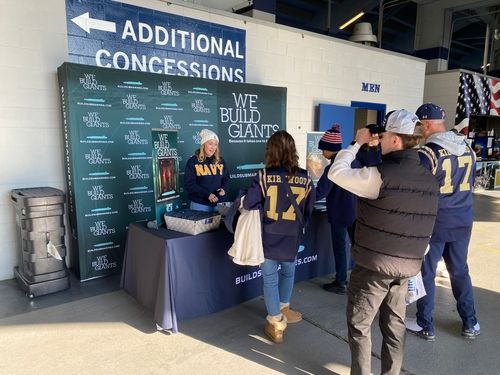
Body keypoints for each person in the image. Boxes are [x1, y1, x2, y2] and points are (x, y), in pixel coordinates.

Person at [328, 109, 439, 375]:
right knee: (395, 326)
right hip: (407, 266)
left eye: (385, 134)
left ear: (396, 140)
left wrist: (356, 142)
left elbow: (337, 172)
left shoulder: (379, 176)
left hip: (374, 267)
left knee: (360, 325)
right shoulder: (429, 180)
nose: (381, 138)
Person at [405, 103, 480, 341]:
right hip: (464, 219)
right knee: (459, 271)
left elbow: (417, 191)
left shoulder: (428, 153)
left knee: (427, 271)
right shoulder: (468, 148)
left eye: (419, 126)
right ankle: (470, 322)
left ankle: (424, 323)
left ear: (426, 124)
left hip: (436, 222)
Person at [243, 130, 315, 344]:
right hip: (292, 236)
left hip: (268, 236)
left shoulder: (264, 176)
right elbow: (309, 209)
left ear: (271, 151)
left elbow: (248, 204)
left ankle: (276, 322)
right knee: (288, 273)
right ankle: (285, 308)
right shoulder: (305, 177)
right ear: (292, 150)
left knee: (270, 279)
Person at [315, 124, 358, 294]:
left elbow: (319, 192)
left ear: (329, 149)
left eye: (322, 150)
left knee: (340, 247)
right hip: (356, 212)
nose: (321, 153)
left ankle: (341, 281)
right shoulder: (353, 162)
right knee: (357, 247)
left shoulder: (333, 168)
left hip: (340, 214)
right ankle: (358, 281)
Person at [184, 129, 230, 212]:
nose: (213, 147)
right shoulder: (193, 161)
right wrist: (207, 195)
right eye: (210, 144)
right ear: (203, 144)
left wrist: (224, 189)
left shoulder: (220, 161)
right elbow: (190, 184)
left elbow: (226, 179)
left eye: (215, 144)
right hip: (200, 205)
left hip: (218, 204)